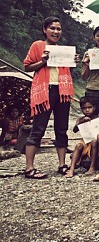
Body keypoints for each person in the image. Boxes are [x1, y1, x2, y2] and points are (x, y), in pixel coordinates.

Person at [23, 16, 80, 179]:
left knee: (61, 128)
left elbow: (68, 69)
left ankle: (62, 165)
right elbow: (27, 66)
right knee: (38, 127)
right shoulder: (38, 45)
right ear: (45, 30)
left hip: (62, 90)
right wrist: (43, 61)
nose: (56, 32)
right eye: (52, 28)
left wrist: (73, 60)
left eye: (58, 29)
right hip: (44, 90)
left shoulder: (62, 50)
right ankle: (29, 168)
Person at [65, 97, 99, 178]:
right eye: (84, 108)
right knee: (78, 146)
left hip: (96, 141)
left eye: (89, 107)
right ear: (81, 109)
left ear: (94, 108)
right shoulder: (80, 119)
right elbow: (74, 130)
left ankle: (92, 167)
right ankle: (71, 168)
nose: (87, 110)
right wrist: (81, 122)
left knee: (94, 141)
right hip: (85, 140)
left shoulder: (98, 118)